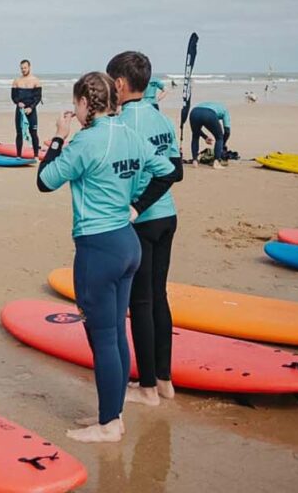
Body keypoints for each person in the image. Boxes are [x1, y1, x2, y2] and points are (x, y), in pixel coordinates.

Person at [35, 71, 175, 443]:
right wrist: (136, 205)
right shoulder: (130, 134)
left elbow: (45, 180)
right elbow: (168, 170)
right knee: (115, 333)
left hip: (98, 249)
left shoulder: (86, 141)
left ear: (85, 102)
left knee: (103, 339)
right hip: (128, 243)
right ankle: (113, 413)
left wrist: (58, 138)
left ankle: (109, 424)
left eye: (76, 103)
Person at [107, 51, 185, 407]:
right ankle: (165, 381)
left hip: (143, 222)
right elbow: (175, 170)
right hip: (168, 218)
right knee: (158, 297)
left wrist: (137, 205)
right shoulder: (160, 118)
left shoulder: (124, 123)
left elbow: (168, 174)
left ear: (120, 84)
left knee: (140, 302)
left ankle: (148, 387)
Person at [11, 60, 42, 157]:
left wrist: (31, 108)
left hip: (31, 110)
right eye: (22, 68)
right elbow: (13, 96)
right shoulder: (17, 81)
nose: (23, 70)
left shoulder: (35, 80)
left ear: (29, 67)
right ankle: (18, 156)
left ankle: (36, 155)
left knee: (33, 132)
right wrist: (18, 102)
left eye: (25, 68)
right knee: (19, 133)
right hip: (20, 110)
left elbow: (38, 97)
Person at [188, 101, 230, 167]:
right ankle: (216, 162)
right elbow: (227, 131)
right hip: (209, 114)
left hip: (194, 112)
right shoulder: (225, 111)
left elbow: (197, 131)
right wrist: (222, 144)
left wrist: (205, 137)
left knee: (195, 136)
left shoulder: (211, 105)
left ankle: (195, 161)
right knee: (219, 137)